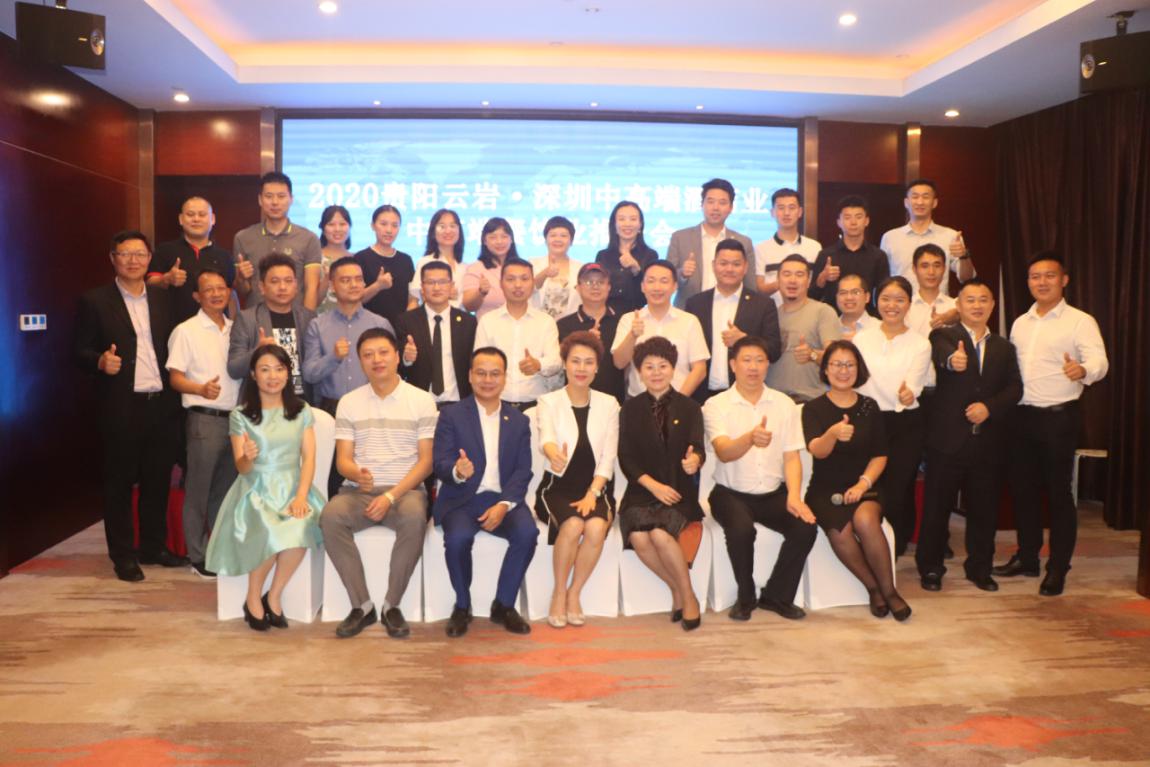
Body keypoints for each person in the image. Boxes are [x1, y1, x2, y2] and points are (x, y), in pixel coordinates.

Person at [74, 230, 186, 582]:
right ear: (113, 259)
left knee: (157, 480)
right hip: (121, 406)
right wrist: (99, 361)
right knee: (119, 484)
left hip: (162, 404)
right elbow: (78, 351)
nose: (133, 260)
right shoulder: (94, 301)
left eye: (140, 254)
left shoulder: (164, 299)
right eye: (125, 254)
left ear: (150, 258)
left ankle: (153, 547)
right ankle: (123, 556)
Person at [996, 252, 1108, 596]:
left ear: (1064, 280)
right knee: (1023, 491)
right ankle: (1028, 557)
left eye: (1049, 275)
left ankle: (1058, 567)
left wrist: (1083, 370)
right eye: (1035, 276)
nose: (1041, 282)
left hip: (1058, 418)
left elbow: (1100, 361)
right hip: (1021, 417)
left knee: (1059, 494)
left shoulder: (1080, 321)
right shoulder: (1021, 322)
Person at [320, 329, 436, 639]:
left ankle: (391, 605)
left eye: (383, 352)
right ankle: (362, 606)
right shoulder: (349, 402)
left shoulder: (421, 400)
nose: (377, 360)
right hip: (358, 491)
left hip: (405, 492)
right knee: (330, 516)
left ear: (397, 356)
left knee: (414, 517)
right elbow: (343, 461)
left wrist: (390, 496)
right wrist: (356, 473)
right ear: (360, 362)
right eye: (368, 355)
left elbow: (426, 462)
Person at [205, 345, 325, 631]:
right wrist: (247, 456)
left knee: (301, 526)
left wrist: (301, 496)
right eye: (265, 369)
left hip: (294, 486)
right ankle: (252, 597)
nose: (273, 376)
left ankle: (273, 595)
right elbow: (242, 468)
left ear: (288, 373)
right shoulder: (241, 415)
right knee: (271, 529)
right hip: (255, 490)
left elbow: (309, 458)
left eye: (279, 369)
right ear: (253, 375)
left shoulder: (301, 410)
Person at [918, 280, 1021, 592]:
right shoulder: (944, 336)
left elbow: (1015, 388)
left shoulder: (1004, 347)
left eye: (983, 300)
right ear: (959, 306)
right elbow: (943, 355)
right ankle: (931, 567)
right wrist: (953, 360)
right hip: (947, 442)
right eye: (970, 300)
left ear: (992, 305)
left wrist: (989, 408)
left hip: (988, 444)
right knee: (936, 509)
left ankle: (980, 568)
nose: (977, 305)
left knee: (984, 510)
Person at [705, 335, 817, 621]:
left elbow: (792, 456)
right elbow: (724, 452)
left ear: (768, 365)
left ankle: (777, 596)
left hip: (772, 493)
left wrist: (794, 497)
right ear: (733, 365)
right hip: (729, 493)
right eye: (746, 360)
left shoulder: (784, 404)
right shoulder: (716, 405)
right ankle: (745, 596)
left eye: (759, 360)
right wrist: (750, 439)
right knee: (742, 530)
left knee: (805, 527)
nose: (753, 367)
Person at [432, 348, 539, 638]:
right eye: (481, 373)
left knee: (527, 534)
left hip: (503, 499)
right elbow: (440, 462)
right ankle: (462, 605)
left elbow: (523, 470)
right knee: (457, 539)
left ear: (504, 378)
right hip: (462, 499)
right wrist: (457, 470)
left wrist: (504, 504)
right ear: (470, 376)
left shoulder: (519, 421)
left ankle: (504, 604)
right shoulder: (451, 415)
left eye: (495, 374)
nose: (487, 380)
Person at [802, 340, 910, 620]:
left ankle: (890, 592)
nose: (843, 370)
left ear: (858, 369)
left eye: (849, 365)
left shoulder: (869, 407)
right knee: (839, 532)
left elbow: (880, 455)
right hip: (825, 489)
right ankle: (873, 588)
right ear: (825, 369)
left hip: (865, 485)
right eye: (837, 364)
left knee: (865, 520)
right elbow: (817, 450)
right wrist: (832, 434)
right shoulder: (813, 408)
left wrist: (863, 484)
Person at [617, 337, 705, 631]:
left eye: (663, 366)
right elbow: (626, 457)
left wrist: (695, 460)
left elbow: (697, 447)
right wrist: (653, 486)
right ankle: (679, 589)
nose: (656, 372)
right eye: (649, 367)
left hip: (678, 490)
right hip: (641, 490)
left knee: (658, 532)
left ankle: (688, 597)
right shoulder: (630, 409)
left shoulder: (690, 407)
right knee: (639, 537)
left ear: (673, 369)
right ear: (639, 372)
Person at [534, 332, 619, 627]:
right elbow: (546, 437)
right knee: (572, 525)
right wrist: (553, 453)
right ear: (565, 364)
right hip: (556, 487)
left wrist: (592, 494)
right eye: (575, 361)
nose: (581, 368)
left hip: (595, 487)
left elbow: (608, 457)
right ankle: (558, 593)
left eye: (588, 362)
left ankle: (574, 593)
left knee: (595, 527)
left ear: (597, 367)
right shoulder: (548, 401)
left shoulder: (609, 404)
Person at [166, 268, 241, 578]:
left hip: (236, 421)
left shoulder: (237, 329)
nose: (216, 294)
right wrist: (199, 389)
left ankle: (218, 551)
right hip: (204, 419)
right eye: (208, 289)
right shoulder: (186, 331)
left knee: (224, 492)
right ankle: (197, 555)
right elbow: (175, 378)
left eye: (221, 288)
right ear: (197, 296)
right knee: (198, 490)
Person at [852, 277, 932, 557]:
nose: (892, 305)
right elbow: (856, 381)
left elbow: (914, 385)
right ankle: (869, 542)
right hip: (868, 420)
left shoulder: (920, 343)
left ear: (909, 304)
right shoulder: (862, 339)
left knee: (899, 486)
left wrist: (908, 394)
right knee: (871, 483)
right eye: (886, 298)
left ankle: (894, 547)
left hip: (904, 423)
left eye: (899, 300)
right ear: (876, 300)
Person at [685, 238, 782, 403]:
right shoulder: (695, 303)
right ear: (713, 265)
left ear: (745, 267)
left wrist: (744, 339)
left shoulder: (763, 304)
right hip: (700, 395)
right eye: (723, 263)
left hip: (745, 395)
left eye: (736, 264)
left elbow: (774, 351)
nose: (729, 269)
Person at [303, 257, 393, 415]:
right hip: (331, 408)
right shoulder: (317, 325)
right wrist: (334, 357)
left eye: (358, 279)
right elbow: (309, 374)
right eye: (345, 280)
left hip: (373, 406)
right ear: (332, 286)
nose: (354, 285)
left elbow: (391, 371)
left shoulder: (380, 324)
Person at [612, 260, 709, 398]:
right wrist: (632, 335)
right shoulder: (629, 319)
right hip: (638, 402)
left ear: (675, 286)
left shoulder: (689, 321)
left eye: (664, 281)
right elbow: (619, 363)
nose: (657, 287)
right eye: (651, 281)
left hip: (679, 400)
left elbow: (699, 369)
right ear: (642, 286)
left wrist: (676, 401)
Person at [474, 258, 561, 411]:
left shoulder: (546, 321)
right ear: (501, 283)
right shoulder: (487, 321)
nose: (518, 285)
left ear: (533, 282)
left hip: (536, 406)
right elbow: (478, 362)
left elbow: (556, 361)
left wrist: (538, 364)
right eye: (511, 279)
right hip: (496, 404)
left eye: (524, 279)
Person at [227, 254, 315, 402]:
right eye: (275, 281)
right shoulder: (247, 319)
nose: (282, 287)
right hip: (262, 404)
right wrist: (257, 351)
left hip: (302, 402)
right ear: (262, 287)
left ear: (296, 285)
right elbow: (233, 369)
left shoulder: (309, 318)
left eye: (288, 281)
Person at [233, 171, 322, 311]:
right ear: (260, 200)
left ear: (291, 199)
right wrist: (241, 278)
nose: (275, 202)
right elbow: (243, 291)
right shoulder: (243, 237)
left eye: (281, 196)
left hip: (293, 318)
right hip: (256, 318)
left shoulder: (309, 238)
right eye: (269, 196)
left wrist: (307, 320)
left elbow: (311, 288)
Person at [394, 261, 478, 408]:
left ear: (451, 286)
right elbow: (397, 367)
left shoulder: (468, 322)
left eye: (443, 282)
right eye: (430, 282)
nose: (437, 287)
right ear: (422, 287)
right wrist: (406, 359)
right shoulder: (406, 321)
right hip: (419, 403)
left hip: (459, 403)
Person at [667, 178, 756, 308]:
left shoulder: (743, 242)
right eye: (710, 201)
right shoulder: (680, 238)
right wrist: (682, 273)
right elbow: (666, 278)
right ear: (702, 204)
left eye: (722, 203)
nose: (715, 208)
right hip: (688, 311)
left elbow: (750, 286)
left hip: (730, 310)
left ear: (731, 208)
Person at [764, 254, 842, 403]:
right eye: (787, 274)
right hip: (773, 403)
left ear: (808, 281)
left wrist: (812, 354)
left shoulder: (823, 311)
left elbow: (836, 359)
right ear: (778, 280)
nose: (792, 280)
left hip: (810, 401)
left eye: (799, 275)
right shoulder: (769, 315)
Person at [148, 196, 237, 322]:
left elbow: (231, 295)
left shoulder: (224, 256)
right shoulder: (165, 250)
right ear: (181, 219)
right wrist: (166, 279)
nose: (196, 219)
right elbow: (149, 283)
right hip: (174, 325)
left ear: (212, 219)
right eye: (190, 214)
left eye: (202, 215)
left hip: (216, 327)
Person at [880, 179, 975, 295]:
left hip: (937, 305)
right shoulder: (890, 237)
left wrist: (964, 256)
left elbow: (967, 278)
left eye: (925, 197)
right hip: (900, 304)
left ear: (934, 203)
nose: (920, 202)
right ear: (906, 202)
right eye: (915, 197)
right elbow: (882, 280)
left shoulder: (951, 236)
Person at [557, 263, 624, 402]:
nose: (595, 286)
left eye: (600, 282)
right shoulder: (563, 325)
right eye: (588, 282)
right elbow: (559, 364)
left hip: (614, 401)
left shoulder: (622, 322)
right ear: (578, 287)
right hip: (573, 402)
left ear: (609, 287)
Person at [810, 196, 890, 313]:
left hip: (867, 318)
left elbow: (884, 293)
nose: (853, 222)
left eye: (858, 217)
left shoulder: (878, 256)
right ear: (839, 222)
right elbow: (812, 297)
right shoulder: (826, 255)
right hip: (832, 318)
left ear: (866, 221)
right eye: (847, 217)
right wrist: (822, 279)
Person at [354, 204, 417, 328]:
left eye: (395, 225)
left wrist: (406, 323)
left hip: (400, 329)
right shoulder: (361, 258)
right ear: (373, 225)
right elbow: (355, 299)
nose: (389, 230)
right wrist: (378, 286)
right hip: (368, 329)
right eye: (383, 224)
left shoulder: (406, 260)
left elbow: (413, 299)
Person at [754, 188, 822, 300]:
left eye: (791, 208)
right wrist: (785, 282)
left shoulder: (814, 247)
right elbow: (759, 289)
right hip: (773, 309)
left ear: (800, 212)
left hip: (807, 309)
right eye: (781, 208)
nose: (786, 213)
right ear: (772, 212)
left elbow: (817, 286)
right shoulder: (760, 249)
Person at [595, 200, 659, 315]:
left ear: (640, 225)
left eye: (633, 219)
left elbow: (651, 293)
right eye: (622, 219)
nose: (627, 224)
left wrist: (636, 270)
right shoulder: (603, 256)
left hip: (638, 316)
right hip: (606, 316)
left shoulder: (650, 255)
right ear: (614, 225)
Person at [463, 217, 520, 317]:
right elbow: (468, 306)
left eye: (504, 236)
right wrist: (480, 293)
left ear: (511, 239)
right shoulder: (476, 268)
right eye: (493, 237)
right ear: (484, 241)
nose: (499, 241)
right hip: (487, 325)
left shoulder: (521, 267)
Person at [410, 209, 466, 308]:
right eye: (442, 226)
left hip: (460, 317)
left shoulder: (465, 267)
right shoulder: (425, 262)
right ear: (433, 232)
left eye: (452, 226)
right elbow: (414, 300)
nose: (448, 231)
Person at [531, 215, 583, 319]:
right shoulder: (532, 264)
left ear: (571, 241)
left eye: (563, 236)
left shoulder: (581, 268)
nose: (558, 239)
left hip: (569, 324)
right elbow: (526, 290)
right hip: (538, 322)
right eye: (553, 235)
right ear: (545, 239)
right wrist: (544, 274)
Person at [906, 244, 959, 340]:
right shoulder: (905, 307)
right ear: (914, 269)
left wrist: (951, 316)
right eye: (924, 266)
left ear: (944, 269)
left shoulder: (954, 305)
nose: (931, 272)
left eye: (937, 266)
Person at [316, 205, 352, 315]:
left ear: (349, 226)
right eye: (331, 224)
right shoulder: (314, 258)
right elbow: (312, 301)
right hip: (320, 321)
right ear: (323, 228)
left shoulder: (357, 259)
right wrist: (327, 278)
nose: (337, 229)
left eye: (342, 224)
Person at [835, 274, 878, 339]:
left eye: (855, 292)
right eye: (843, 293)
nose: (849, 297)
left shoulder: (880, 328)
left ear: (867, 297)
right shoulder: (827, 330)